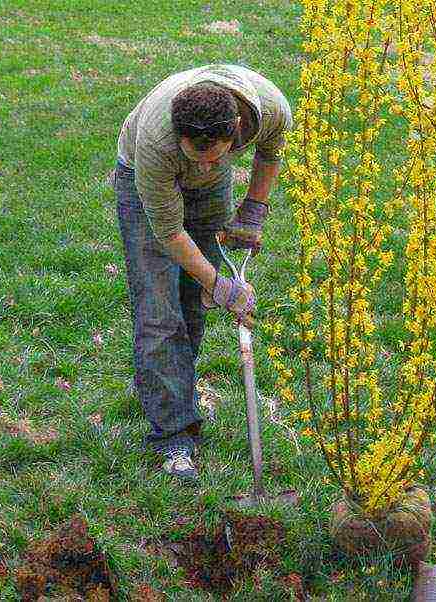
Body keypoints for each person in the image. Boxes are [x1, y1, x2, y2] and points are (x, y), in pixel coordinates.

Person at [113, 64, 292, 480]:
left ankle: (174, 392)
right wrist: (221, 284)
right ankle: (172, 436)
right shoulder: (156, 144)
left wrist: (253, 210)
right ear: (180, 139)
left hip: (206, 196)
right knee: (160, 309)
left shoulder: (269, 107)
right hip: (146, 186)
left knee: (192, 302)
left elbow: (270, 152)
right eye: (199, 157)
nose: (210, 166)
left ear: (234, 130)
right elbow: (170, 233)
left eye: (218, 158)